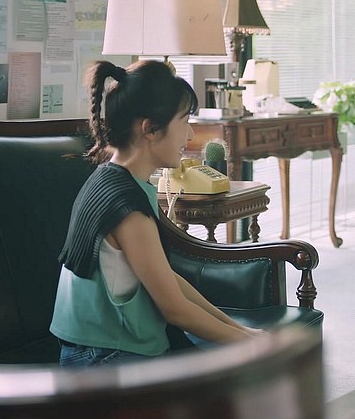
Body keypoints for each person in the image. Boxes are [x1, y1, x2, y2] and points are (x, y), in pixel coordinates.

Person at [50, 60, 262, 367]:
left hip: (97, 349)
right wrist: (257, 345)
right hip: (103, 357)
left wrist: (239, 329)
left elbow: (166, 279)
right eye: (184, 121)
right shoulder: (127, 207)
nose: (190, 134)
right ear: (149, 129)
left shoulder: (114, 179)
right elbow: (175, 310)